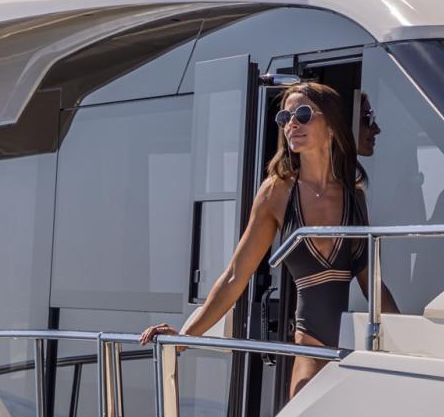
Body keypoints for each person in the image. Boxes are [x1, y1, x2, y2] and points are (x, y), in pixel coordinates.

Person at [142, 82, 396, 397]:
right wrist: (184, 338)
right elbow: (236, 275)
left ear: (332, 125)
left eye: (303, 115)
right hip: (310, 352)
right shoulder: (276, 193)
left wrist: (407, 342)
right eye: (284, 118)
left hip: (351, 355)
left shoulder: (354, 197)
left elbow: (373, 284)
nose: (291, 124)